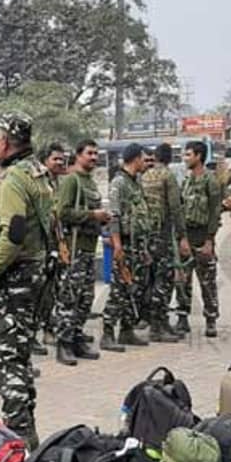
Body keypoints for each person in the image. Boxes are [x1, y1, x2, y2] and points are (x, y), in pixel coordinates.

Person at [0, 113, 50, 448]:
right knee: (20, 357)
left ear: (6, 142)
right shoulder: (37, 171)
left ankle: (19, 439)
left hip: (14, 278)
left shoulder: (13, 180)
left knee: (7, 364)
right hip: (34, 274)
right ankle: (27, 431)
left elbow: (14, 231)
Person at [52, 139, 107, 364]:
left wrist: (102, 218)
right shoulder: (71, 181)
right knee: (69, 299)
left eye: (96, 154)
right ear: (78, 155)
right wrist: (93, 215)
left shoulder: (90, 182)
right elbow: (61, 213)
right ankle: (63, 344)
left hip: (88, 247)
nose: (93, 158)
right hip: (73, 248)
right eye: (89, 154)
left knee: (85, 299)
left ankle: (76, 338)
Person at [101, 143, 152, 352]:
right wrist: (117, 246)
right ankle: (107, 333)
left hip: (138, 244)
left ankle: (127, 330)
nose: (146, 161)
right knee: (119, 289)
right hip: (124, 243)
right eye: (144, 157)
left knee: (135, 288)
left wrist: (145, 248)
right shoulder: (119, 183)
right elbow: (114, 216)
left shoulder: (136, 182)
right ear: (136, 158)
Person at [140, 142, 186, 343]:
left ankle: (158, 322)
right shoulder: (168, 176)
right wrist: (182, 235)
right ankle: (158, 326)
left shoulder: (145, 176)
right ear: (169, 158)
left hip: (147, 233)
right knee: (164, 280)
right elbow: (175, 208)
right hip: (163, 234)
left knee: (152, 279)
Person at [176, 141, 222, 337]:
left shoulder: (211, 181)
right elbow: (180, 209)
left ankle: (211, 319)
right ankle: (182, 317)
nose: (185, 159)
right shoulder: (185, 181)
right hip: (187, 238)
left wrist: (209, 240)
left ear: (199, 156)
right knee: (182, 281)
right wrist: (181, 238)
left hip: (203, 237)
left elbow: (215, 211)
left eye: (188, 155)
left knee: (207, 282)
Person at [33, 142, 68, 353]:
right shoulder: (39, 182)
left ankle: (48, 329)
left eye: (62, 158)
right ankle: (32, 335)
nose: (60, 162)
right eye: (55, 158)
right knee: (38, 292)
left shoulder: (57, 183)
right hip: (40, 245)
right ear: (45, 160)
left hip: (55, 243)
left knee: (53, 290)